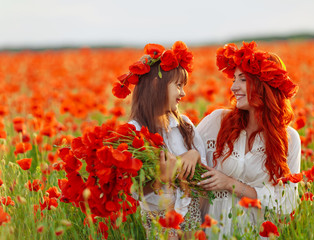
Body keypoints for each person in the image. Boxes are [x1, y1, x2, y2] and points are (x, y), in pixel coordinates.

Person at [197, 41, 301, 238]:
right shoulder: (216, 122)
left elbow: (286, 202)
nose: (233, 87)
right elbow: (186, 150)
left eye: (242, 79)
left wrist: (230, 183)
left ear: (264, 85)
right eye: (234, 79)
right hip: (214, 233)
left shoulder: (289, 139)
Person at [114, 41, 207, 239]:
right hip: (159, 223)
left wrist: (194, 154)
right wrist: (160, 178)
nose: (183, 92)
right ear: (156, 85)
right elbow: (129, 191)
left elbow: (204, 173)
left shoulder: (184, 125)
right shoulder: (134, 132)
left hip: (191, 220)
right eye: (178, 86)